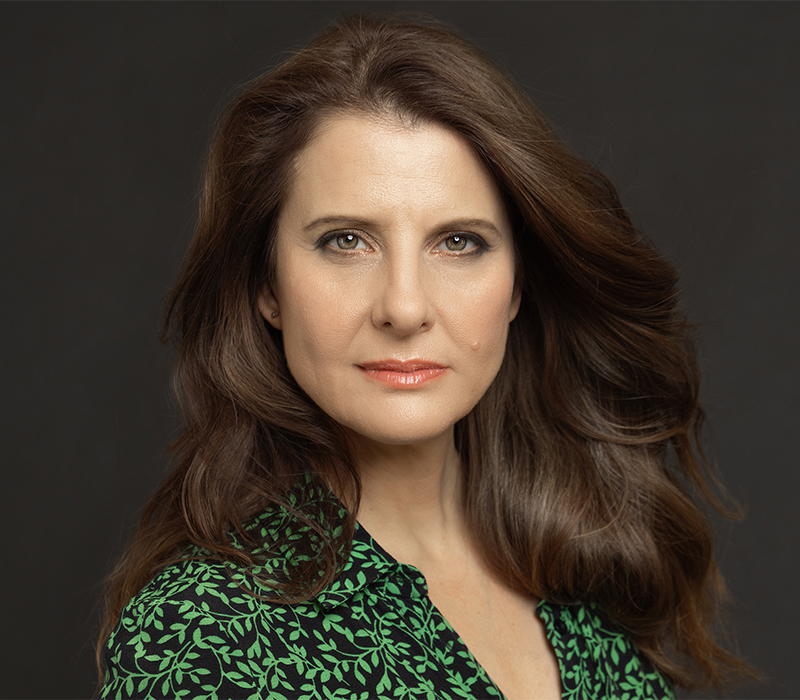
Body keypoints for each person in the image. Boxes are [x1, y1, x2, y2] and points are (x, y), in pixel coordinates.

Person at [97, 14, 754, 700]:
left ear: (517, 284)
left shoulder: (584, 564)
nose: (405, 308)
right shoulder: (202, 636)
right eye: (346, 241)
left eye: (459, 242)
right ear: (266, 285)